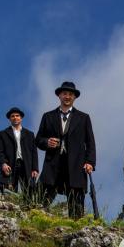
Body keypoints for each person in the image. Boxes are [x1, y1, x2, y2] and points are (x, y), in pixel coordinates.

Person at [35, 81, 97, 218]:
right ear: (59, 96)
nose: (67, 97)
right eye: (64, 94)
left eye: (70, 94)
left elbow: (90, 142)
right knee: (38, 203)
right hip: (52, 165)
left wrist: (90, 162)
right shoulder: (48, 116)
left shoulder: (84, 118)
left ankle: (76, 225)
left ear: (74, 97)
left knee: (76, 209)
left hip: (76, 166)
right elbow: (38, 140)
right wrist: (47, 142)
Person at [0, 107, 39, 193]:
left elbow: (34, 152)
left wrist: (35, 169)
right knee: (6, 189)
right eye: (12, 116)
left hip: (26, 165)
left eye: (17, 116)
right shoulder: (3, 134)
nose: (15, 117)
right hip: (10, 164)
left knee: (29, 190)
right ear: (9, 119)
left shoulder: (30, 134)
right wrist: (3, 164)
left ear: (21, 118)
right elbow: (0, 151)